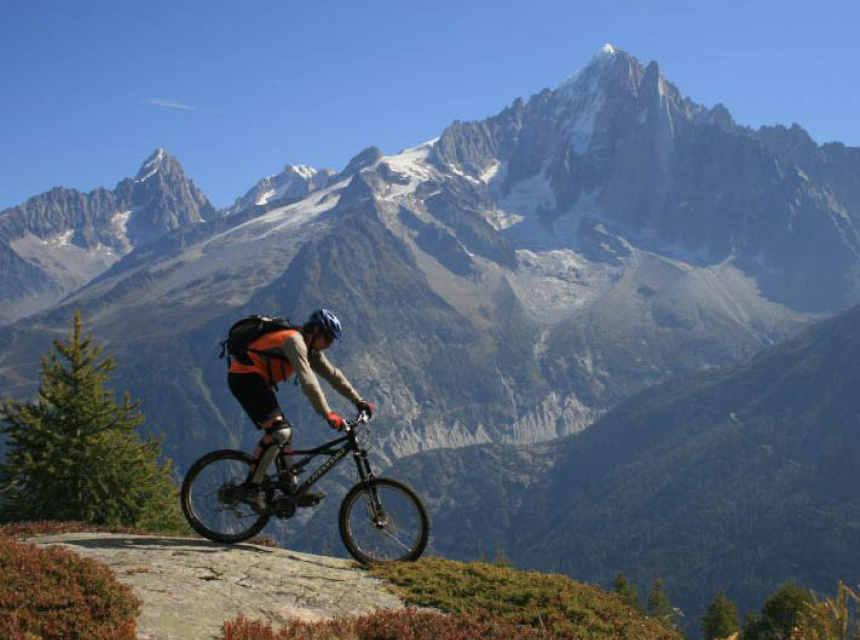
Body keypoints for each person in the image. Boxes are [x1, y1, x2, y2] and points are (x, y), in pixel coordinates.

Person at [227, 309, 373, 512]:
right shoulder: (294, 341)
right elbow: (308, 381)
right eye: (327, 339)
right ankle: (250, 488)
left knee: (285, 432)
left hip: (258, 380)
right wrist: (327, 413)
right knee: (279, 432)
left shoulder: (311, 349)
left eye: (331, 342)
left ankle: (290, 487)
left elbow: (333, 376)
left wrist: (359, 401)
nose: (328, 345)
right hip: (244, 376)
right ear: (315, 331)